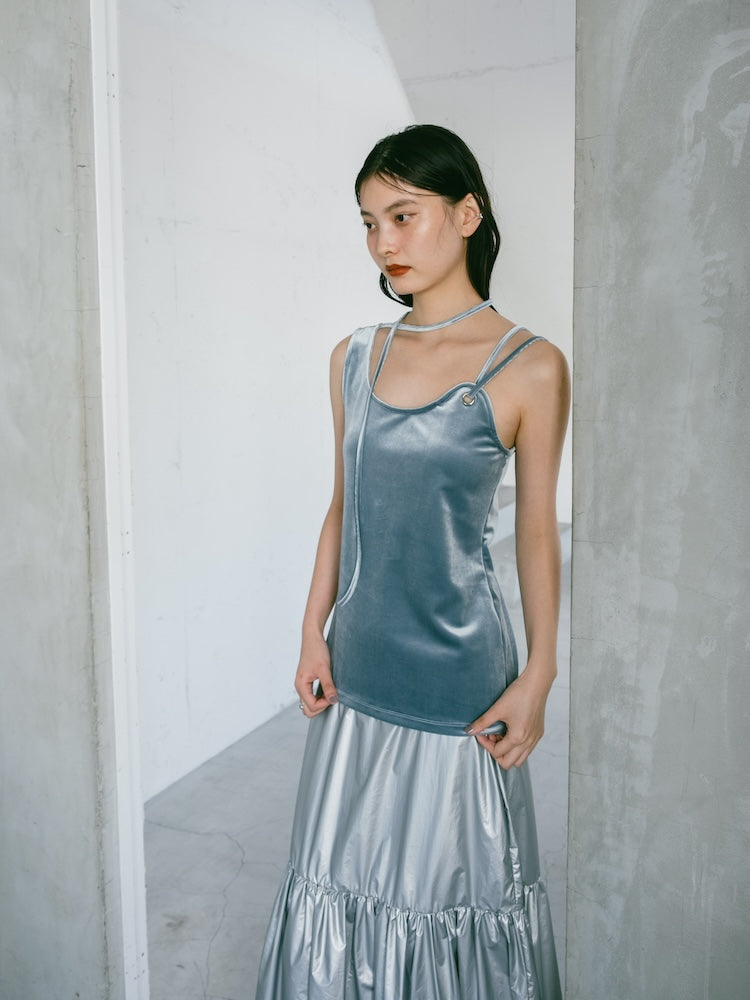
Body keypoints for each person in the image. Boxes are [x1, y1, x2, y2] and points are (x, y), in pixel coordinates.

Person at [255, 124, 569, 999]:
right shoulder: (354, 357)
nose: (383, 242)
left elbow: (535, 533)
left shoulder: (531, 367)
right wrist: (312, 633)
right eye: (368, 222)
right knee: (338, 891)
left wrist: (540, 673)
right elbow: (343, 506)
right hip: (358, 673)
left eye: (403, 215)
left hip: (461, 681)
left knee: (450, 901)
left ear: (467, 214)